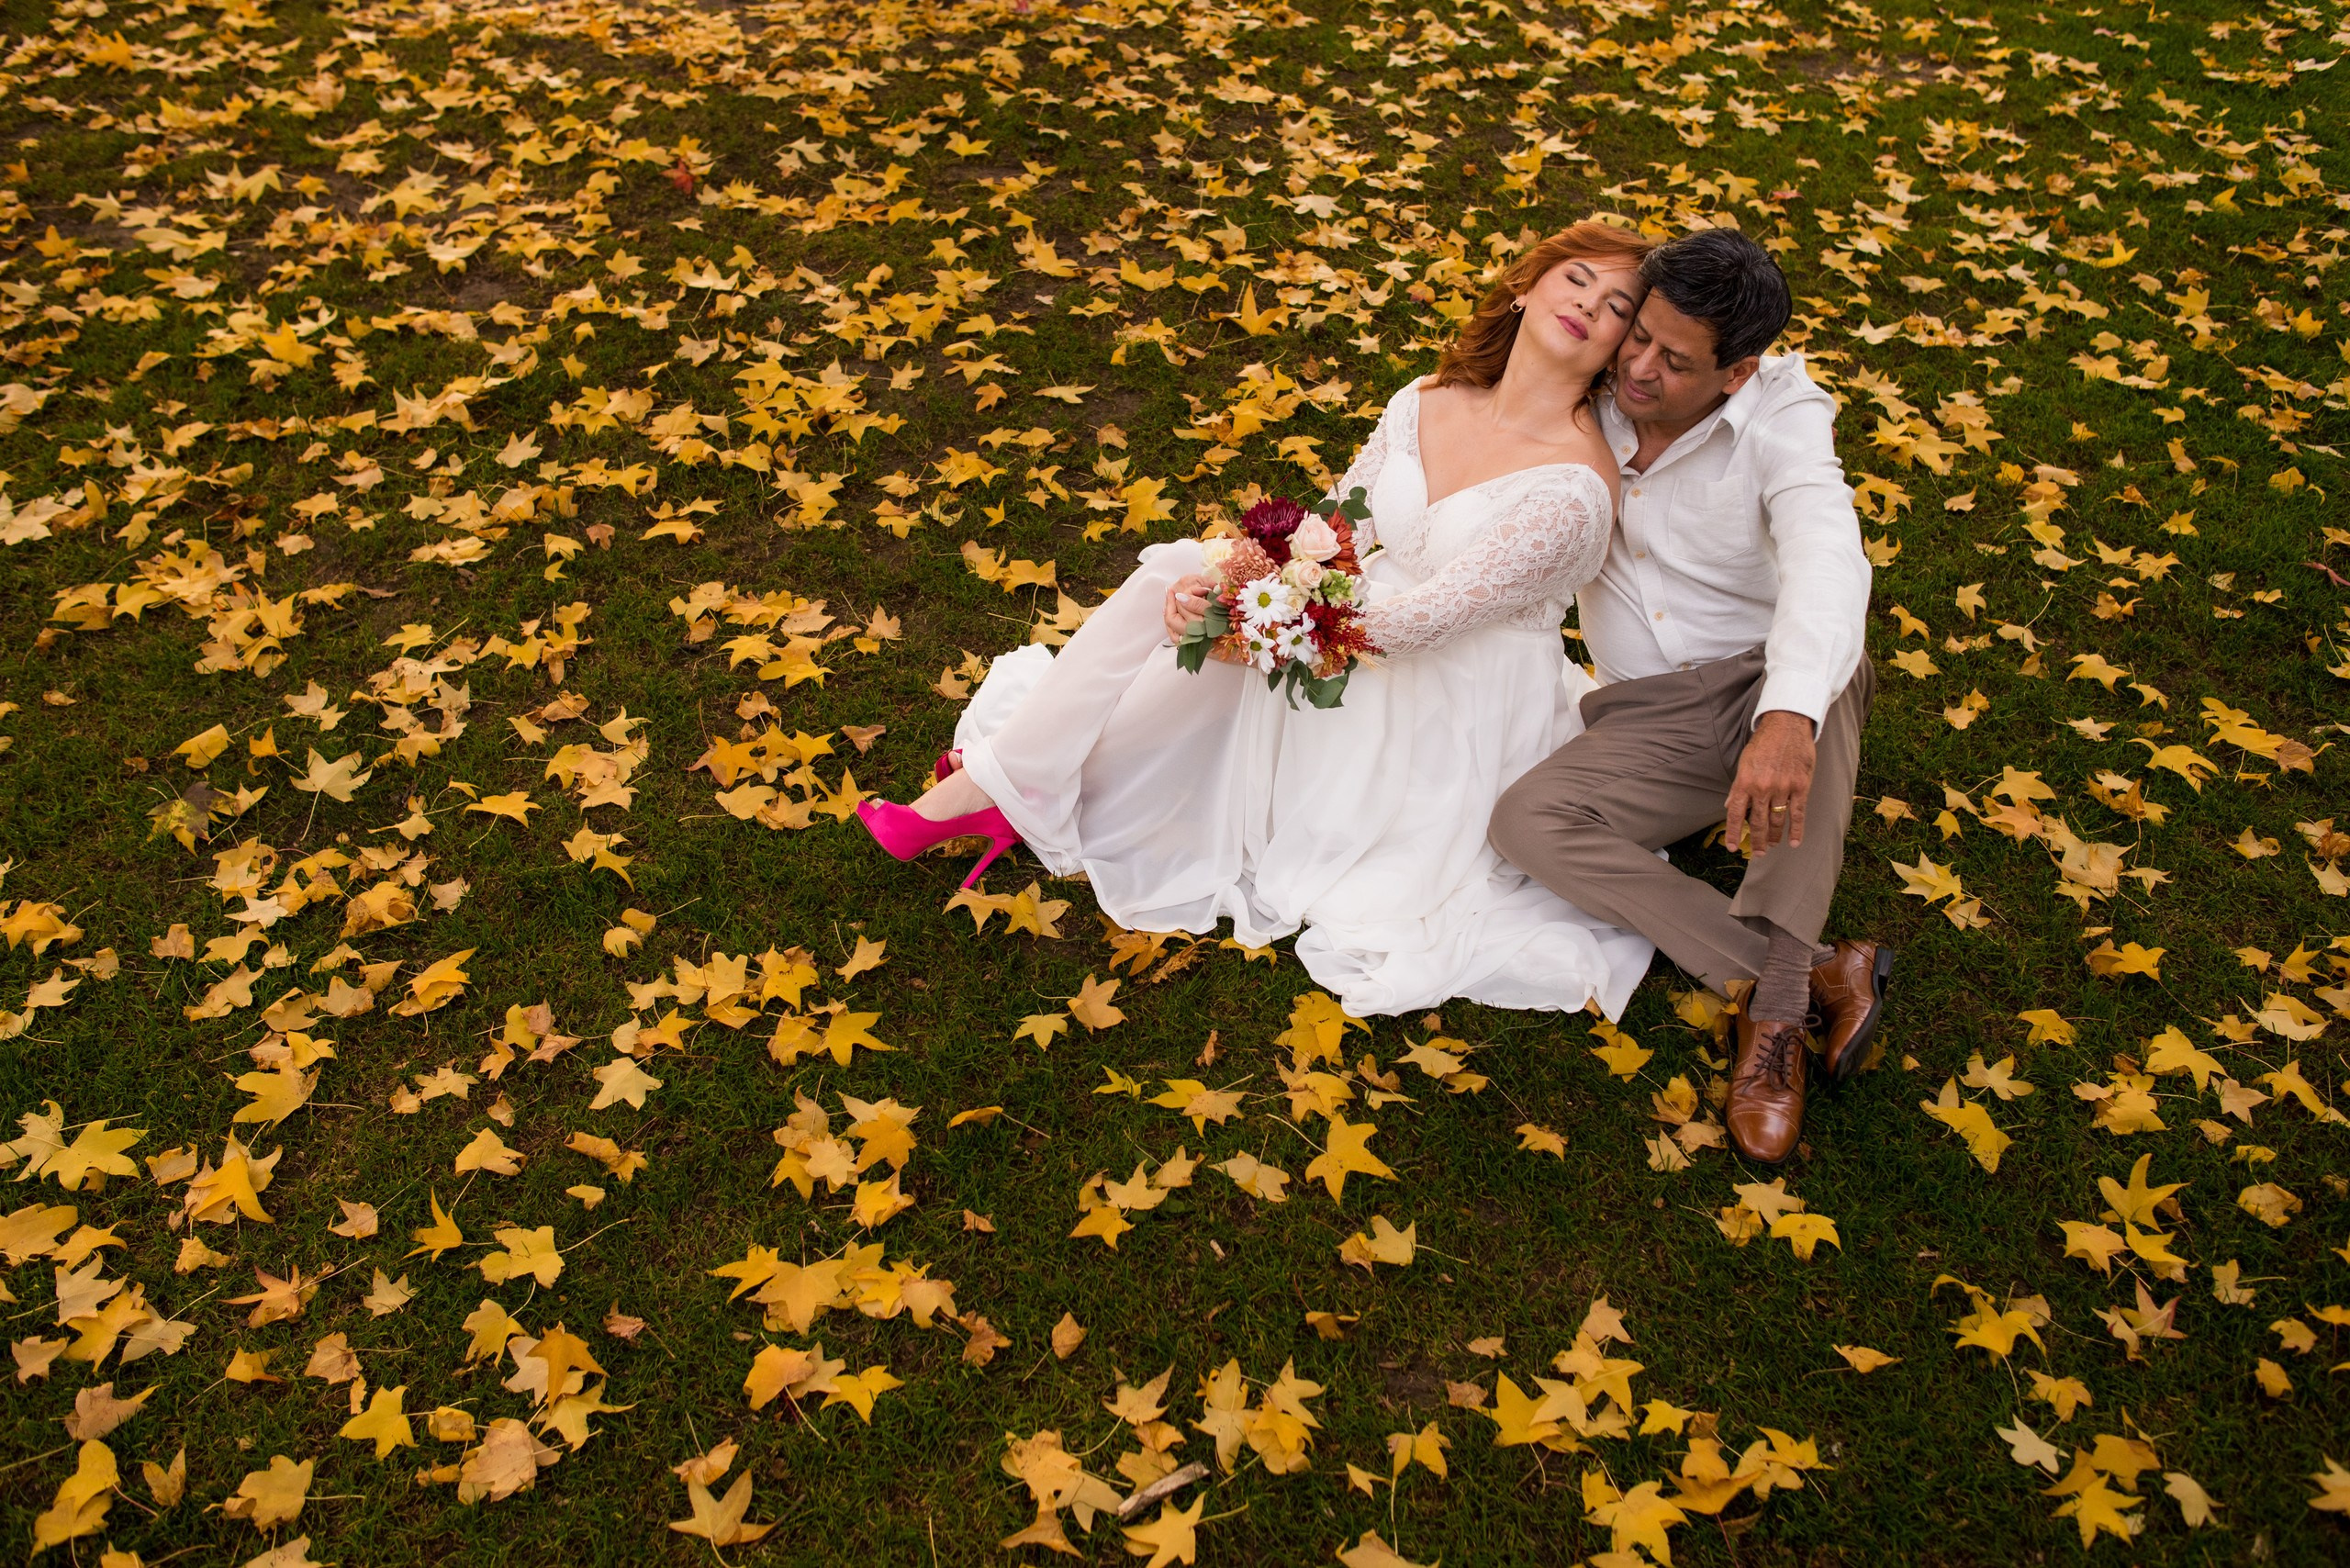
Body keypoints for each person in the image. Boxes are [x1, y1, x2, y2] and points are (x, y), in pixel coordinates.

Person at [856, 220, 1660, 1020]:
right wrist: (1238, 585)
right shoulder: (1428, 398)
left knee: (1213, 625)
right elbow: (1338, 529)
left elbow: (1420, 625)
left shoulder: (1575, 487)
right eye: (1577, 278)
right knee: (1184, 574)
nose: (1589, 305)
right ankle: (1011, 778)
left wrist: (1253, 632)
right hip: (1350, 620)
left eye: (1618, 305)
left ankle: (1005, 782)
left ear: (1621, 347)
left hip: (1447, 703)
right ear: (1526, 287)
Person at [1488, 228, 1886, 1166]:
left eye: (1675, 361)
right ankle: (1818, 969)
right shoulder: (1592, 383)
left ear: (1737, 373)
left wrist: (1785, 716)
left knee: (1827, 677)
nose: (1639, 367)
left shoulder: (1783, 417)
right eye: (1639, 337)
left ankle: (1774, 1016)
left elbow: (1828, 556)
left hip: (1759, 682)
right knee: (1526, 822)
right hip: (1645, 716)